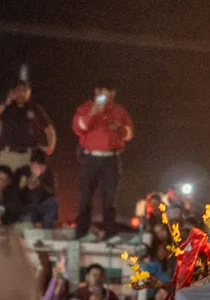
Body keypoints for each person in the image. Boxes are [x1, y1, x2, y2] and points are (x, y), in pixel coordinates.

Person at [72, 84, 133, 239]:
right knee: (86, 196)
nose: (104, 96)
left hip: (111, 158)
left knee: (110, 198)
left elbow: (128, 134)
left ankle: (110, 232)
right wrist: (93, 111)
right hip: (91, 158)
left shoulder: (119, 111)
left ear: (113, 93)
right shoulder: (86, 107)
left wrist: (119, 127)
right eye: (100, 92)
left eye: (107, 92)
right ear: (96, 92)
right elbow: (79, 127)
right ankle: (81, 231)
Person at [0, 80, 56, 173]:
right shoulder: (7, 108)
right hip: (8, 154)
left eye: (24, 90)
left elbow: (49, 129)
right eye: (18, 90)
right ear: (13, 92)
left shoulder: (35, 109)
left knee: (24, 185)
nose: (21, 93)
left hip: (28, 156)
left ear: (29, 92)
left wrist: (50, 147)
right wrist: (6, 102)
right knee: (4, 184)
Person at [18, 148, 58, 228]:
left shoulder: (47, 173)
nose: (38, 168)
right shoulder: (24, 171)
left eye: (41, 166)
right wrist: (31, 178)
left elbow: (52, 191)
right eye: (35, 165)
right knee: (27, 219)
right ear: (31, 164)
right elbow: (20, 189)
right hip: (28, 206)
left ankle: (46, 231)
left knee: (52, 204)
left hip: (42, 204)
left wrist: (40, 182)